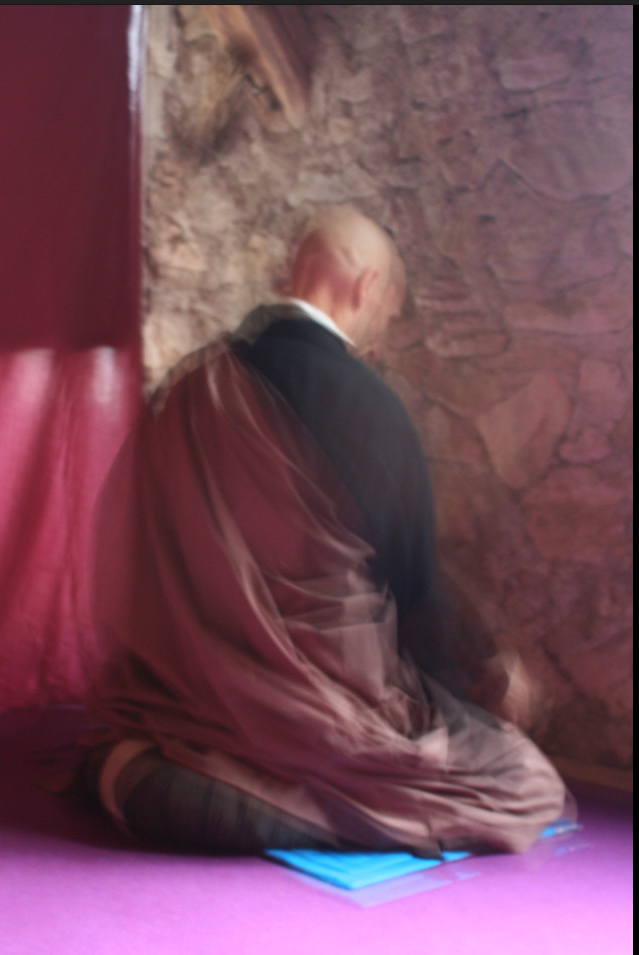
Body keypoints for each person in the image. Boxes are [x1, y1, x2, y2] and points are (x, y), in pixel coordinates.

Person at [83, 207, 569, 855]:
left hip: (186, 688)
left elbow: (135, 558)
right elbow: (413, 597)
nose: (381, 334)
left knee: (148, 751)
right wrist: (477, 689)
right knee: (520, 781)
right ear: (367, 288)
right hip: (319, 705)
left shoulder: (193, 385)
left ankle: (144, 776)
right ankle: (261, 797)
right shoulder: (371, 404)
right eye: (389, 313)